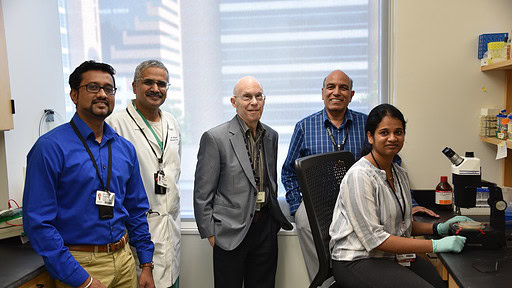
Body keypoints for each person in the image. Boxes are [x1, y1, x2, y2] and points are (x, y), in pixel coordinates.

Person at [281, 70, 438, 286]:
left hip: (364, 197)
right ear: (322, 92)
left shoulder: (367, 123)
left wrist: (408, 205)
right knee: (305, 221)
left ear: (352, 94)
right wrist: (296, 204)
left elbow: (392, 166)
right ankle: (323, 282)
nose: (337, 92)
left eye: (343, 88)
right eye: (331, 87)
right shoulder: (305, 126)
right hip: (319, 201)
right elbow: (289, 170)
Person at [23, 60, 155, 288]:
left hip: (124, 260)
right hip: (80, 265)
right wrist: (81, 279)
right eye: (93, 87)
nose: (102, 94)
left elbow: (136, 209)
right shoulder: (50, 148)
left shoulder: (124, 149)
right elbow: (38, 223)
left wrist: (146, 264)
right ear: (74, 95)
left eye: (109, 89)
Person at [329, 104, 472, 288]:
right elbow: (375, 239)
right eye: (384, 133)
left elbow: (401, 225)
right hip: (356, 260)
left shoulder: (398, 173)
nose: (392, 138)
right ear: (370, 137)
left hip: (387, 256)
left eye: (398, 132)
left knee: (440, 284)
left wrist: (439, 229)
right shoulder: (359, 176)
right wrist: (435, 246)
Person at [193, 76, 293, 288]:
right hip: (230, 231)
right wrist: (211, 233)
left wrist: (273, 224)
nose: (254, 102)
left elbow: (270, 181)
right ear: (233, 101)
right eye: (247, 97)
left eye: (259, 96)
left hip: (265, 227)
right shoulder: (215, 138)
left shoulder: (271, 136)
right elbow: (203, 193)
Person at [106, 60, 181, 288]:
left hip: (170, 231)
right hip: (136, 235)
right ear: (134, 86)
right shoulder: (114, 125)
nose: (155, 89)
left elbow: (174, 176)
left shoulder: (172, 123)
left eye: (162, 84)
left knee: (171, 280)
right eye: (148, 82)